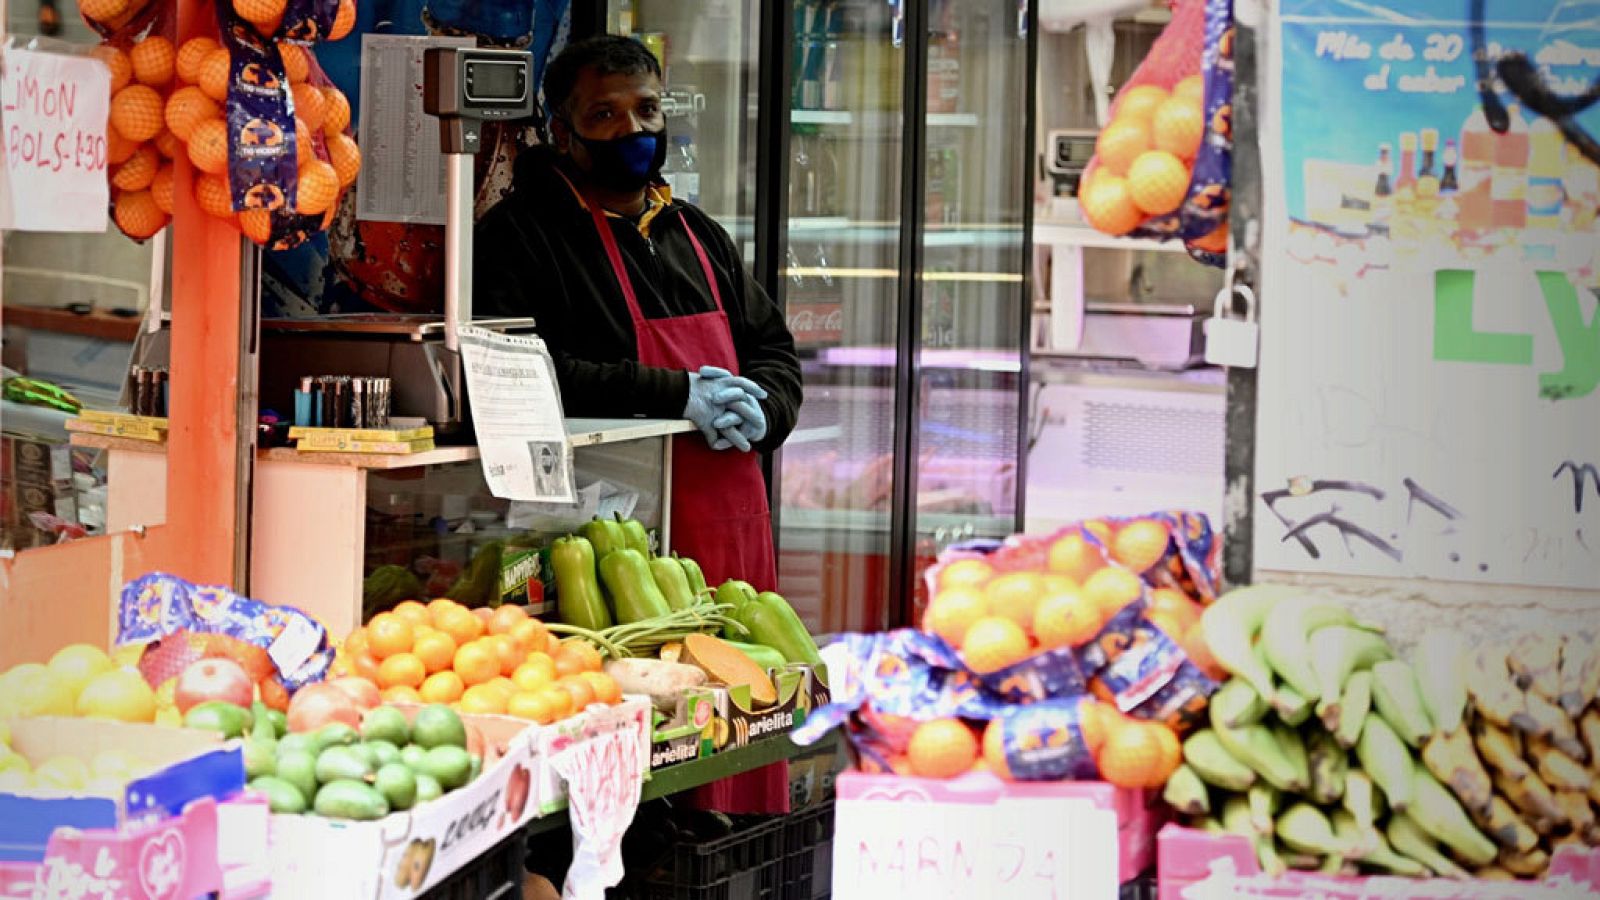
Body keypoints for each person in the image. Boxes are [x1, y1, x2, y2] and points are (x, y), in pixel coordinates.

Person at [475, 35, 801, 592]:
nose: (633, 130)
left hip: (730, 527)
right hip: (603, 546)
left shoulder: (697, 233)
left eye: (646, 109)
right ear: (561, 131)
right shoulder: (518, 235)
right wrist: (676, 395)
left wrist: (764, 408)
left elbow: (772, 348)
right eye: (604, 114)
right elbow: (523, 377)